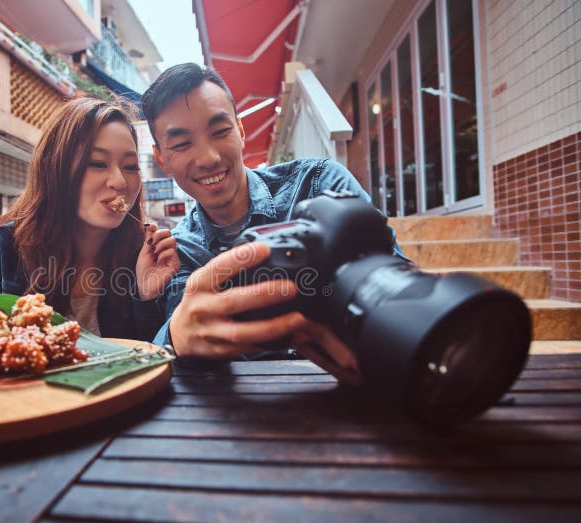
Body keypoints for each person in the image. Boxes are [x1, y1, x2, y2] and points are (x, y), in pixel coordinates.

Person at [140, 63, 408, 383]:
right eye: (182, 144)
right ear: (162, 159)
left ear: (240, 130)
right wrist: (176, 336)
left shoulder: (319, 182)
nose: (208, 157)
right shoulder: (180, 249)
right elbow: (185, 343)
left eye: (220, 131)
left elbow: (396, 278)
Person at [0, 97, 180, 341]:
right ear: (55, 169)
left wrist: (148, 296)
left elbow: (150, 361)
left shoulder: (145, 254)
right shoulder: (6, 246)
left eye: (131, 166)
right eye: (97, 163)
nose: (120, 182)